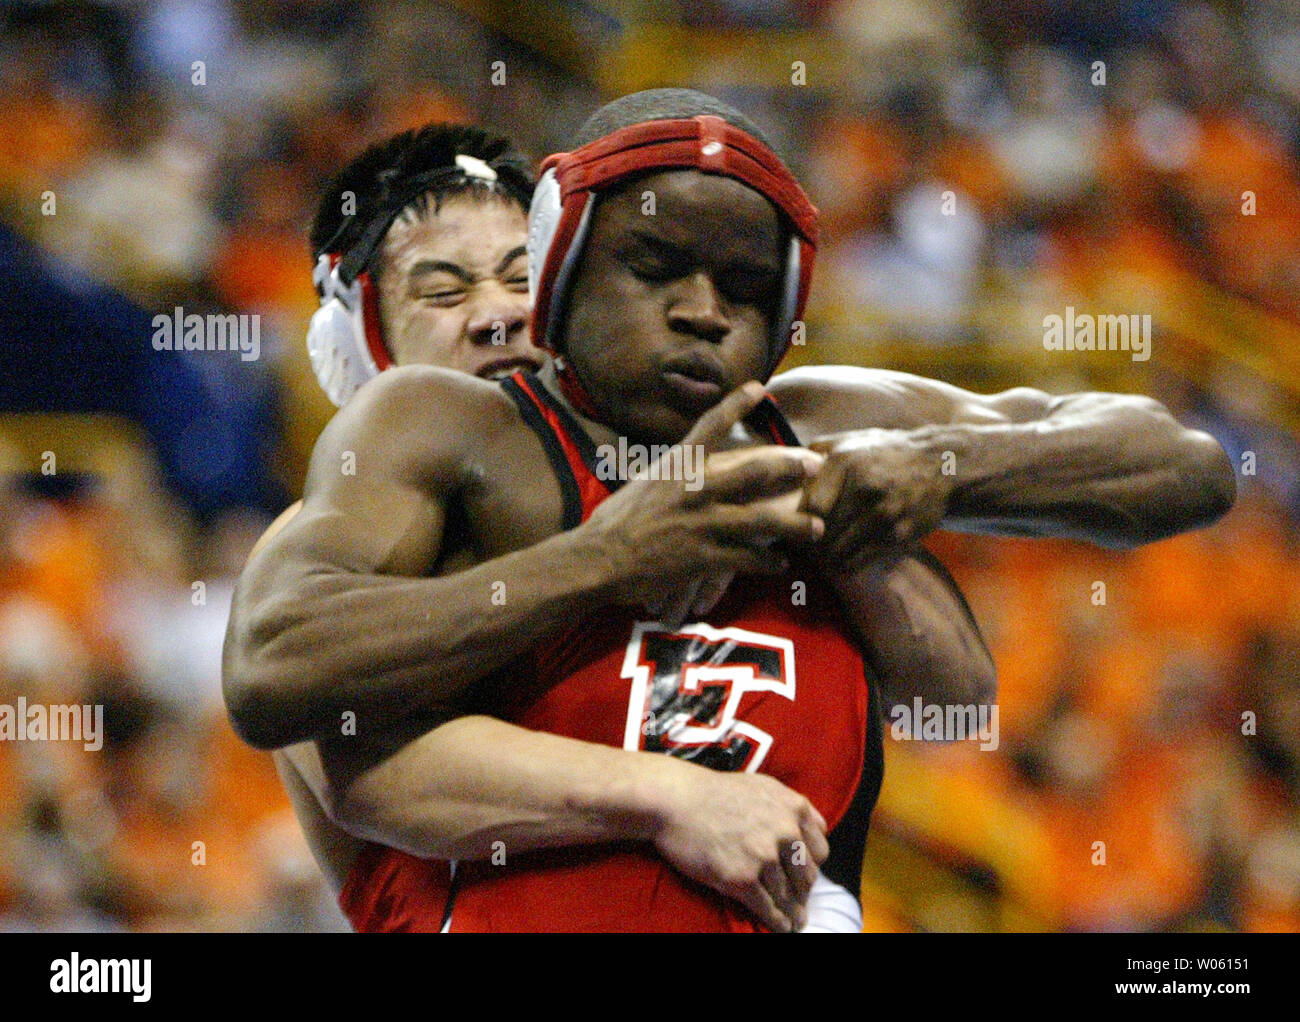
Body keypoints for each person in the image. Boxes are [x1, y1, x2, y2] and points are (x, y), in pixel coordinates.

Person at [225, 90, 1234, 931]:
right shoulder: (412, 468)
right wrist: (613, 574)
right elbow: (342, 741)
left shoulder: (804, 424)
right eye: (442, 289)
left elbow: (1178, 469)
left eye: (514, 275)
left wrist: (936, 467)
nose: (496, 313)